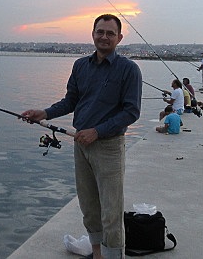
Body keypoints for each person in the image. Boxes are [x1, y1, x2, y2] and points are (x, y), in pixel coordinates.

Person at [22, 14, 142, 259]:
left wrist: (98, 131)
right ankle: (97, 254)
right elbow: (71, 101)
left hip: (108, 146)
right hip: (81, 145)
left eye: (110, 33)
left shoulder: (129, 69)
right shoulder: (80, 66)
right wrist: (44, 113)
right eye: (100, 31)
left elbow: (131, 111)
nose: (104, 37)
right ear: (92, 34)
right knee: (89, 207)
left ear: (119, 38)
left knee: (111, 211)